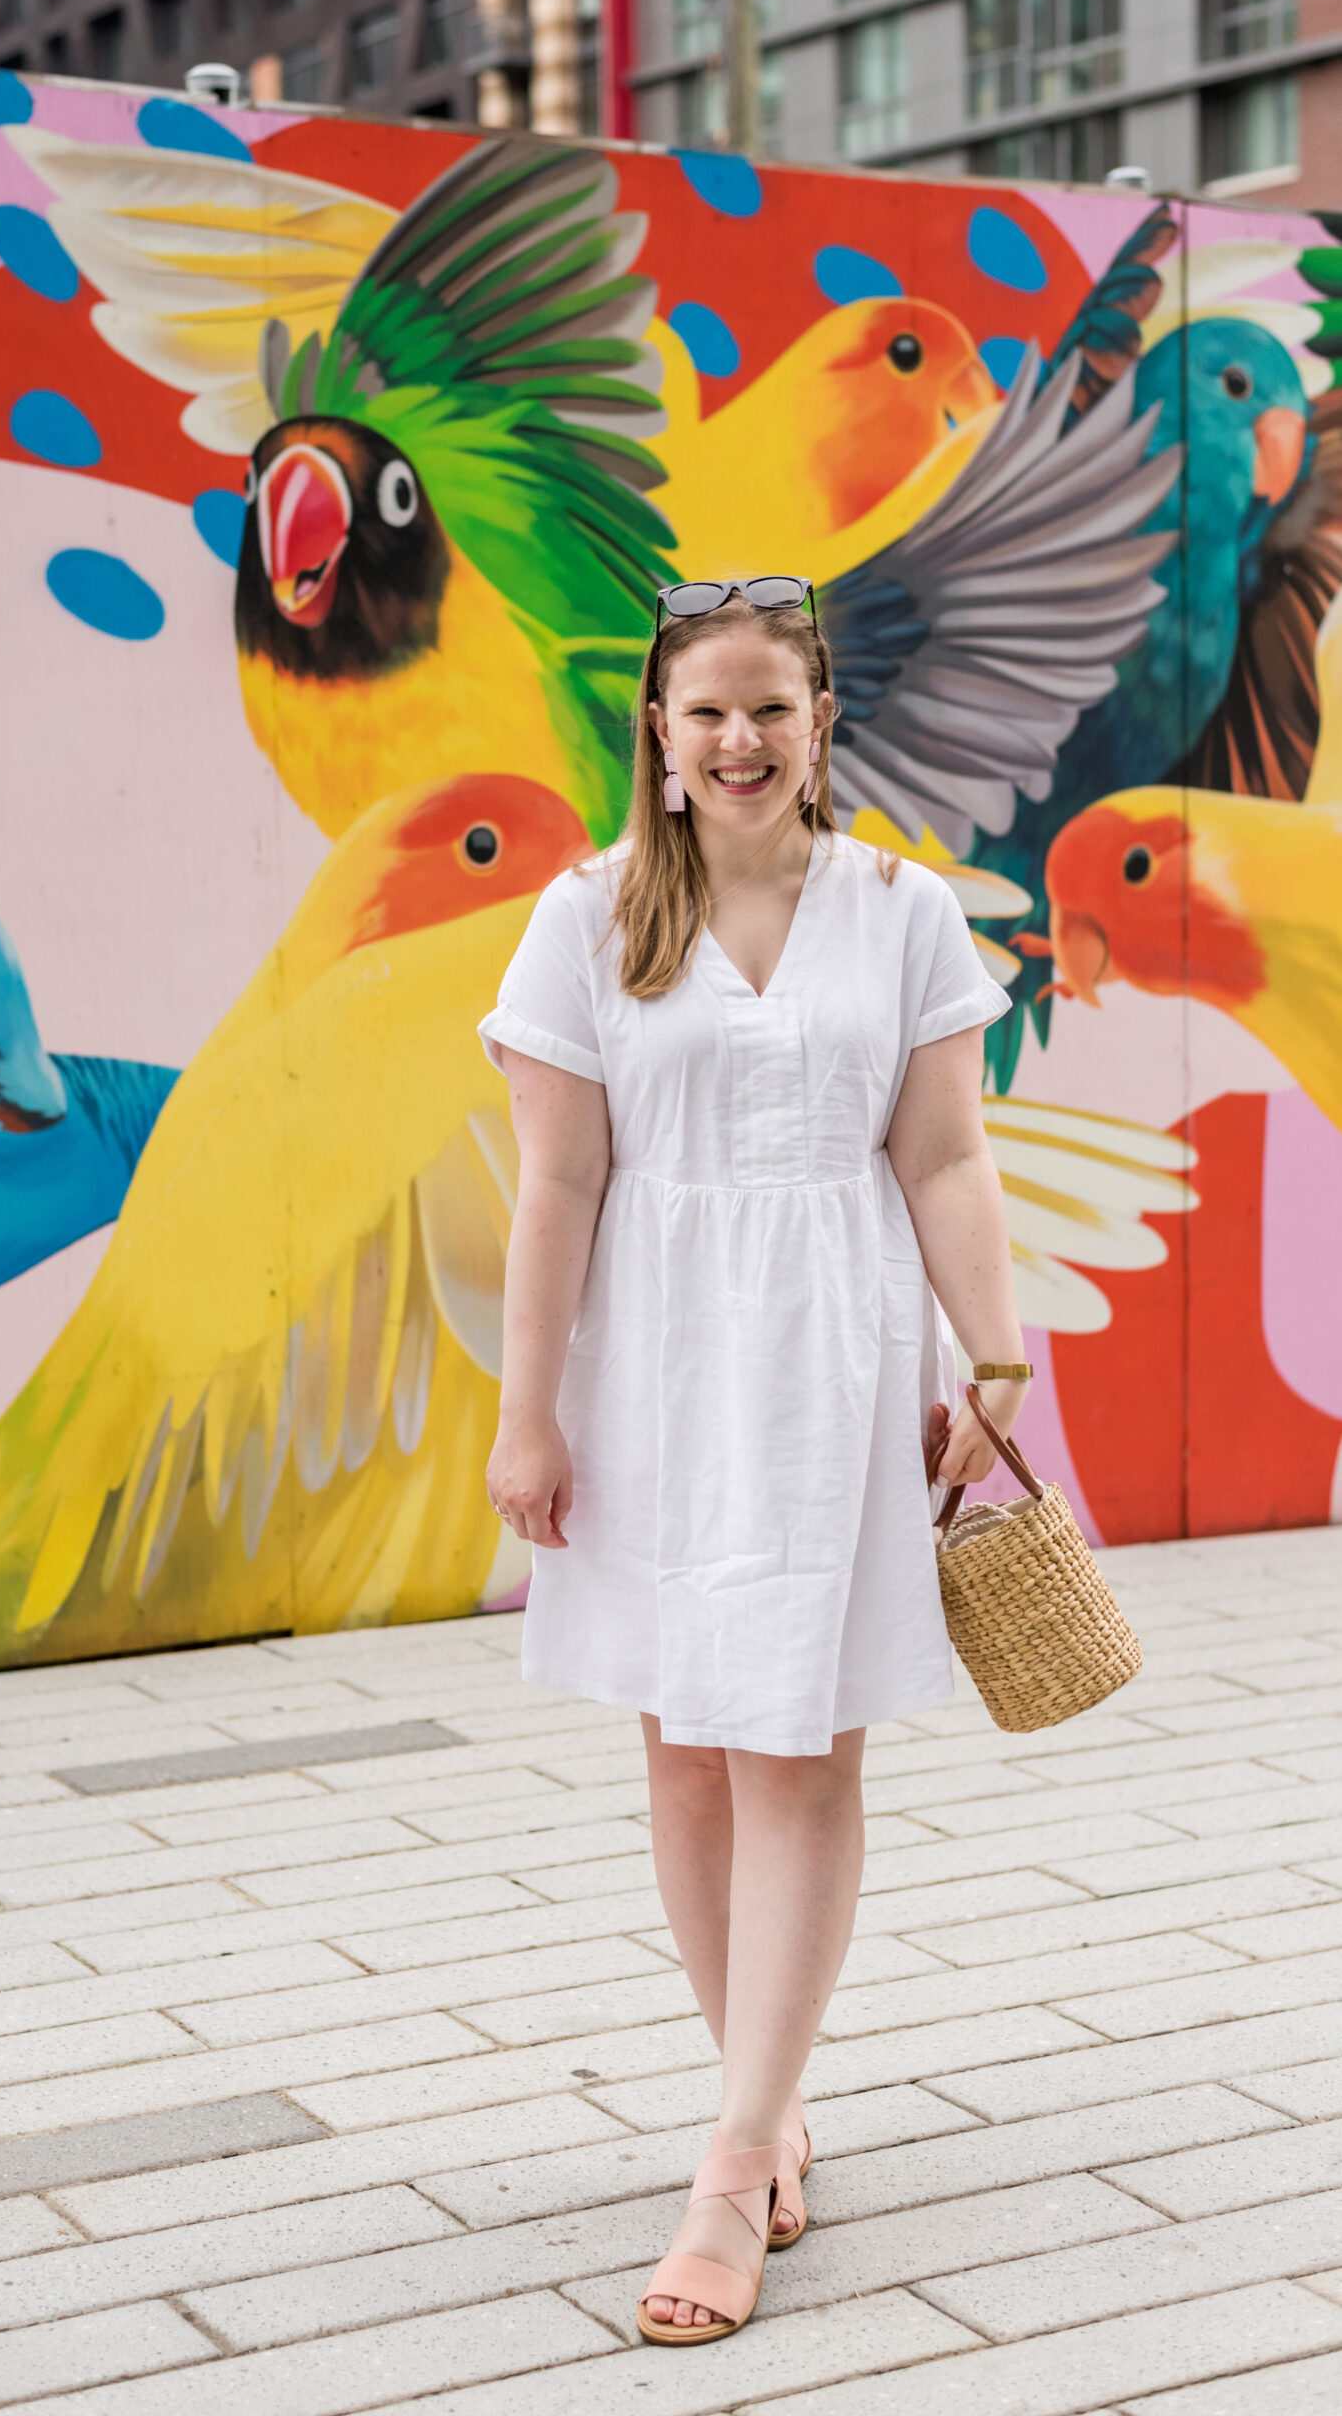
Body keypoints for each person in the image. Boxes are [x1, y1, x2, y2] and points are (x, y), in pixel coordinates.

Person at [478, 577, 1029, 2346]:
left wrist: (996, 1350)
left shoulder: (900, 911)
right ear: (656, 729)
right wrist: (524, 1409)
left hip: (832, 1371)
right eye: (703, 711)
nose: (736, 742)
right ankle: (763, 2094)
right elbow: (556, 1185)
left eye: (768, 711)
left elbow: (942, 1157)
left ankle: (727, 2166)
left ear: (818, 722)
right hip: (646, 1370)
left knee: (795, 1746)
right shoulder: (580, 922)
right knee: (689, 1753)